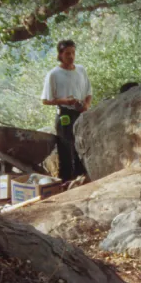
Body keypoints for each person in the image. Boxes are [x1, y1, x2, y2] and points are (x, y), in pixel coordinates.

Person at [41, 39, 91, 179]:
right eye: (68, 53)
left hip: (81, 112)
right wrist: (65, 101)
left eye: (73, 53)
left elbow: (89, 91)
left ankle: (82, 177)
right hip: (65, 114)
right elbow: (45, 100)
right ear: (60, 54)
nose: (71, 56)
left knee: (81, 145)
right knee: (66, 147)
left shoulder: (81, 70)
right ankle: (66, 180)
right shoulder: (54, 74)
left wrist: (86, 105)